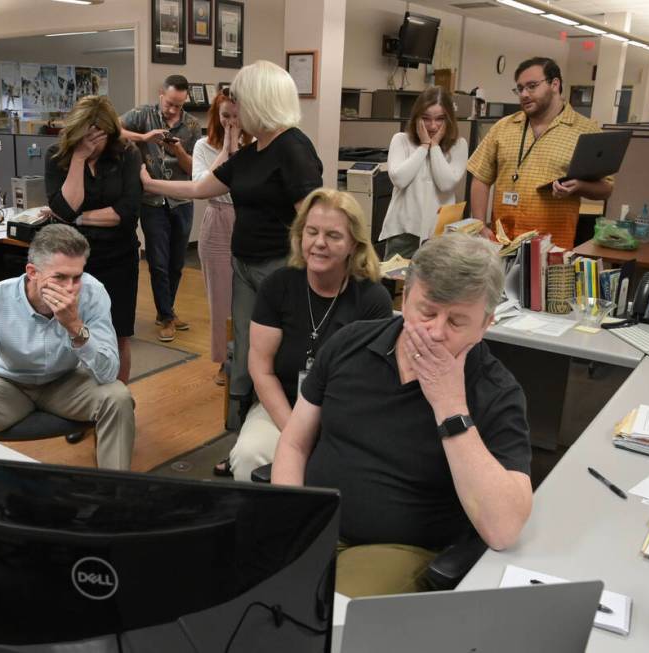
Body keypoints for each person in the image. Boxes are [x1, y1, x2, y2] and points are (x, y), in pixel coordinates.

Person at [272, 233, 532, 598]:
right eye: (427, 312)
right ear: (405, 297)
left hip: (394, 550)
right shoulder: (349, 344)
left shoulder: (496, 392)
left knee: (313, 612)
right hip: (311, 523)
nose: (436, 332)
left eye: (456, 322)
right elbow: (295, 443)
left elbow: (503, 528)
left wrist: (450, 405)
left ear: (486, 324)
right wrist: (289, 513)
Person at [139, 60, 323, 423]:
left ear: (259, 99)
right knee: (241, 346)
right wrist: (149, 184)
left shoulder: (293, 147)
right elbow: (200, 187)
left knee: (271, 351)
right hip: (244, 266)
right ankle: (238, 428)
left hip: (279, 268)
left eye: (239, 100)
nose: (234, 110)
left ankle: (278, 428)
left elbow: (312, 223)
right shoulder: (253, 152)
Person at [228, 188, 392, 481]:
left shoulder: (372, 298)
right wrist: (294, 429)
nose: (319, 243)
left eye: (333, 235)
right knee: (248, 457)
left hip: (344, 415)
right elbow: (261, 369)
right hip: (282, 408)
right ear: (299, 236)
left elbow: (370, 382)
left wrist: (325, 431)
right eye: (312, 232)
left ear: (354, 243)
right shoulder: (277, 286)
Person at [0, 225, 135, 471]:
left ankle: (115, 494)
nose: (70, 288)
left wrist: (75, 327)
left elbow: (108, 373)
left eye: (77, 277)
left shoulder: (93, 292)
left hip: (66, 379)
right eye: (59, 277)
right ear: (32, 272)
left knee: (118, 397)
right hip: (9, 383)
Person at [468, 57, 613, 249]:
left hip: (552, 247)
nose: (524, 94)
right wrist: (479, 224)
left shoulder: (585, 131)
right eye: (520, 89)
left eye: (532, 86)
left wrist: (579, 186)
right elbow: (481, 177)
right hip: (501, 244)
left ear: (555, 84)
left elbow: (606, 189)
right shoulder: (503, 127)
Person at [45, 95, 142, 383]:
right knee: (71, 330)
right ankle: (78, 401)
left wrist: (78, 217)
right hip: (73, 261)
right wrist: (78, 157)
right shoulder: (58, 156)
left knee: (118, 332)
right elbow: (63, 208)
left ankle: (119, 398)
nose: (92, 144)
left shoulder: (127, 154)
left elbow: (126, 212)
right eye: (85, 137)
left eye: (97, 138)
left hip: (119, 257)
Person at [120, 74, 202, 342]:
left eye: (178, 105)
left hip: (182, 200)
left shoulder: (191, 125)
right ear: (160, 94)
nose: (172, 110)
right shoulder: (143, 115)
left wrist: (178, 151)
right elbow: (112, 130)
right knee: (158, 261)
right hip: (152, 200)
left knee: (177, 262)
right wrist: (144, 137)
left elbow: (194, 171)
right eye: (169, 103)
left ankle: (167, 309)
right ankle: (166, 316)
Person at [191, 90, 253, 385]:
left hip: (250, 221)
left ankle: (250, 358)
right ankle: (225, 360)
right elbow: (203, 185)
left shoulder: (260, 147)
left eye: (236, 116)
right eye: (224, 116)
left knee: (249, 297)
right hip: (217, 221)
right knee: (221, 300)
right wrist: (227, 147)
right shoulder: (203, 146)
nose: (230, 122)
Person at [378, 86, 468, 259]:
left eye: (440, 119)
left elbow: (445, 183)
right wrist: (424, 146)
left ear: (449, 120)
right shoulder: (401, 140)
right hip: (403, 232)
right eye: (426, 119)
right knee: (397, 284)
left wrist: (434, 147)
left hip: (439, 235)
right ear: (417, 118)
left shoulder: (459, 145)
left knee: (436, 285)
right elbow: (399, 179)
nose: (433, 125)